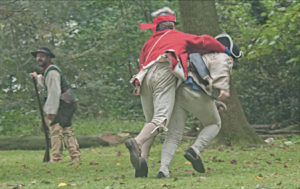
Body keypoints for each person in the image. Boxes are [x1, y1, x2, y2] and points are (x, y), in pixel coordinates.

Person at [124, 7, 233, 177]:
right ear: (172, 25)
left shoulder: (149, 43)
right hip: (165, 72)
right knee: (160, 121)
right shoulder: (178, 36)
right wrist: (224, 50)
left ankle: (143, 161)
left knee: (150, 121)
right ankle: (137, 142)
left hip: (143, 77)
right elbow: (204, 41)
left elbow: (143, 62)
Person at [157, 34, 242, 178]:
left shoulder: (198, 54)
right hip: (195, 92)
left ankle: (163, 169)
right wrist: (223, 91)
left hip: (178, 92)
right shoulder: (223, 58)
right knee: (214, 123)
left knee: (173, 135)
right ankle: (195, 150)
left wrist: (214, 102)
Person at [30, 47, 81, 164]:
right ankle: (74, 156)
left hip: (63, 103)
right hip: (66, 102)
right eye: (38, 56)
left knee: (56, 130)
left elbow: (54, 92)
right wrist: (37, 77)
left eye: (42, 56)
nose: (39, 58)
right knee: (65, 129)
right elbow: (46, 83)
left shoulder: (52, 72)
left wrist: (51, 112)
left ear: (48, 58)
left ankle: (57, 158)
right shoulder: (48, 71)